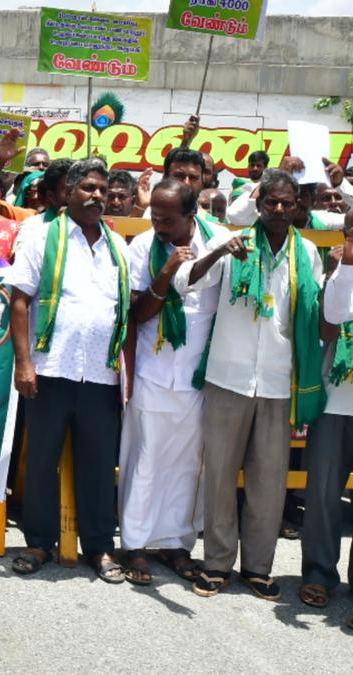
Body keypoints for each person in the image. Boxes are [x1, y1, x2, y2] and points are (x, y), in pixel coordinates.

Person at [173, 169, 324, 600]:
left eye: (287, 203)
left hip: (278, 382)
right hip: (229, 376)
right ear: (259, 205)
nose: (279, 209)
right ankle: (217, 563)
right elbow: (186, 282)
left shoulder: (307, 253)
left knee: (269, 482)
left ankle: (258, 567)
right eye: (271, 202)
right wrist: (218, 251)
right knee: (219, 474)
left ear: (297, 207)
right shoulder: (234, 245)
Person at [6, 158, 130, 582]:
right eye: (89, 188)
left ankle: (99, 548)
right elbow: (19, 300)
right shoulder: (43, 238)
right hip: (51, 369)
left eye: (103, 189)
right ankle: (39, 542)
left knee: (98, 465)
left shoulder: (118, 246)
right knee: (41, 461)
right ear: (69, 192)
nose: (98, 196)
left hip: (101, 374)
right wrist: (24, 363)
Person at [118, 180, 219, 586]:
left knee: (186, 465)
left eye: (167, 219)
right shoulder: (142, 247)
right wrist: (167, 271)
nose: (158, 224)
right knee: (145, 460)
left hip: (198, 375)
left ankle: (177, 544)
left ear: (191, 216)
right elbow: (138, 314)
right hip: (153, 370)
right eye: (155, 217)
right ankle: (136, 545)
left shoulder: (217, 241)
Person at [300, 211, 353, 611]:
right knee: (321, 494)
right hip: (336, 400)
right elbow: (330, 321)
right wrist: (346, 266)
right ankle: (319, 573)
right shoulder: (339, 272)